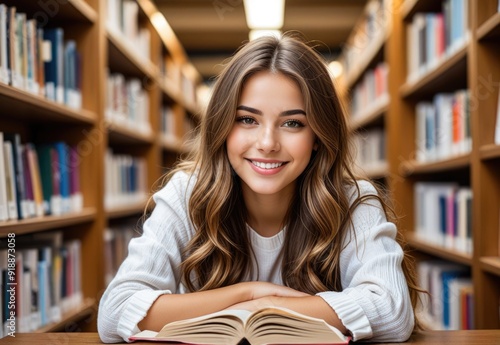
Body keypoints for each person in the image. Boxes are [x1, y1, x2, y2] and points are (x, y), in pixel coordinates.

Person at [98, 33, 421, 343]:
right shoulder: (186, 194)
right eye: (247, 120)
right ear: (222, 127)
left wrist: (260, 309)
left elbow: (393, 313)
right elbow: (114, 313)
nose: (267, 143)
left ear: (319, 137)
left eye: (293, 123)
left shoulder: (353, 200)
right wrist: (248, 293)